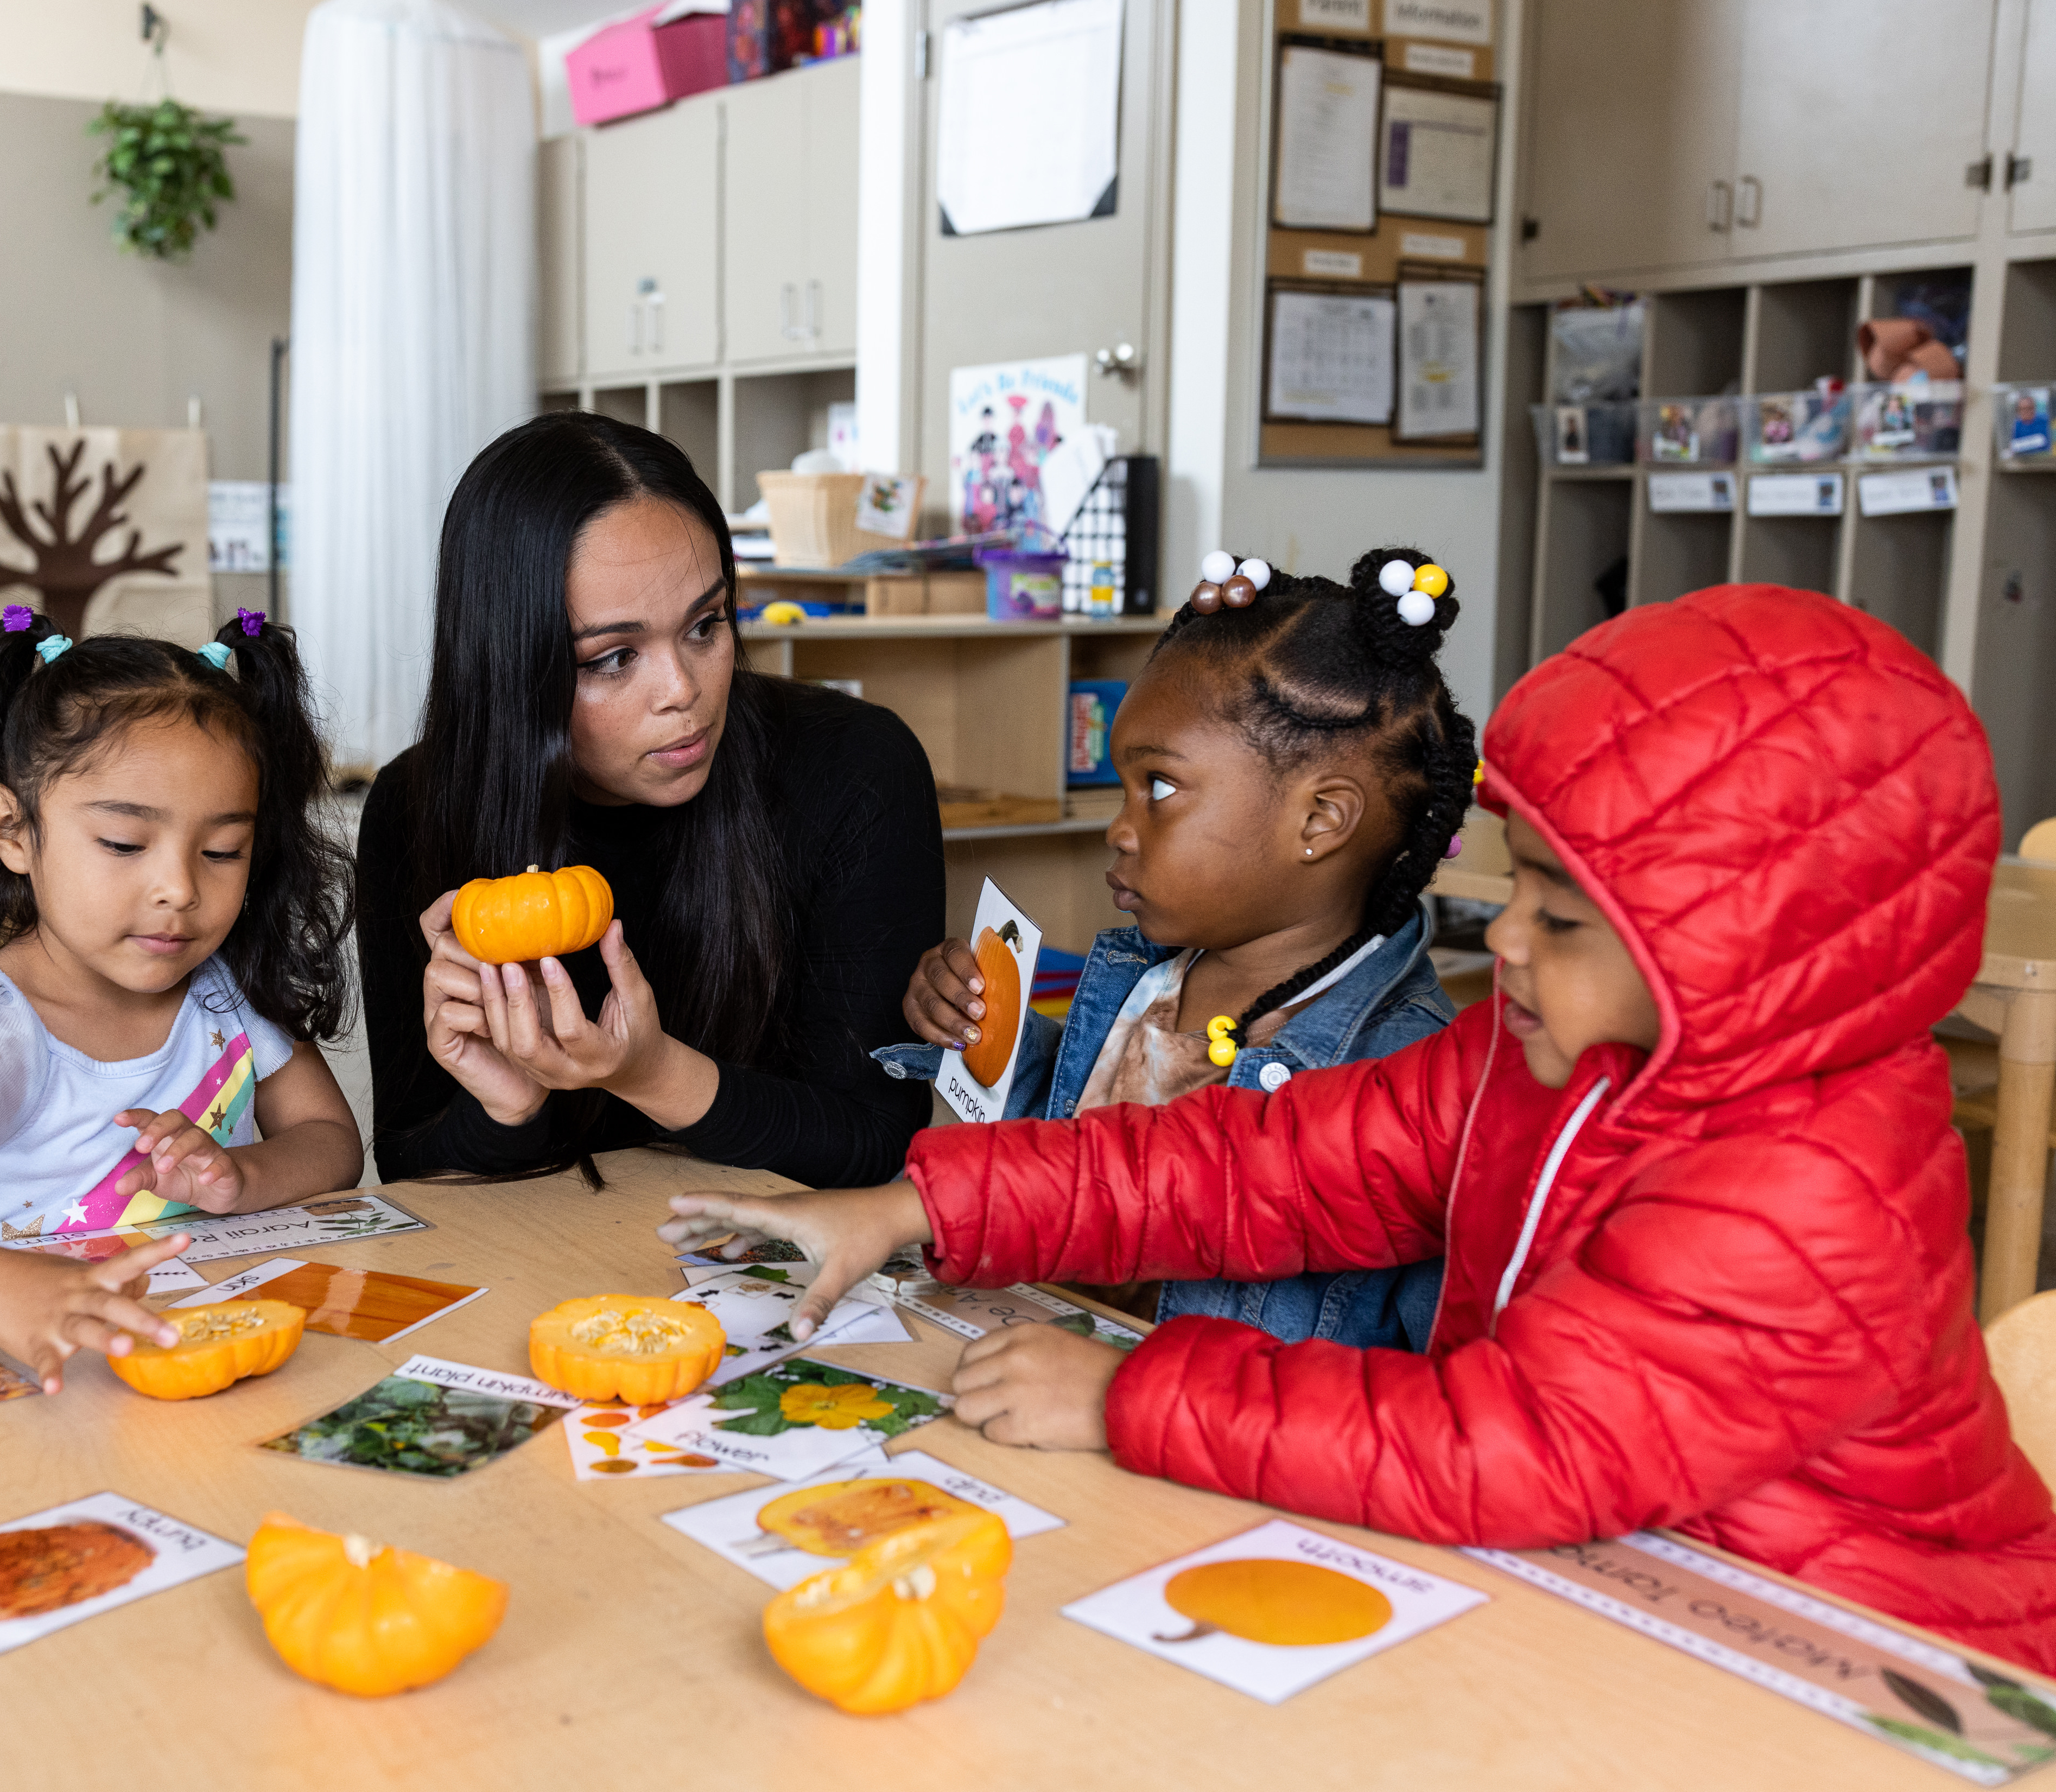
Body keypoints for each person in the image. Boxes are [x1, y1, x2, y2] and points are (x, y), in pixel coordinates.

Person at [658, 583, 2056, 1670]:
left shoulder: (1808, 1194)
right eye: (1518, 894)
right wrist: (919, 1207)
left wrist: (1130, 1394)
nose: (1501, 940)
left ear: (1746, 957)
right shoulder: (1536, 1055)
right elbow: (1265, 1162)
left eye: (1560, 920)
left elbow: (1517, 1445)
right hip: (1614, 1586)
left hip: (1861, 1665)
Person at [880, 548, 1472, 1349]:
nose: (1119, 830)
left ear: (1320, 823)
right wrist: (987, 1030)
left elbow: (1434, 1369)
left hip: (1205, 1445)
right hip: (1045, 1381)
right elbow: (1072, 1153)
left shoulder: (1405, 1078)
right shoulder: (1149, 981)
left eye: (1158, 788)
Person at [0, 607, 364, 1392]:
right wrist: (7, 1289)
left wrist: (240, 1177)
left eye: (223, 851)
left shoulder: (223, 992)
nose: (180, 890)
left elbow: (331, 1141)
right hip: (28, 1388)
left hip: (198, 1357)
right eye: (124, 844)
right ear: (12, 828)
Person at [356, 411, 943, 1189]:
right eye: (614, 658)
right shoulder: (418, 804)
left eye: (707, 625)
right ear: (512, 667)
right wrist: (506, 1107)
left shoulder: (856, 769)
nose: (685, 693)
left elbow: (876, 1141)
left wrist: (654, 1072)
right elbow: (407, 1158)